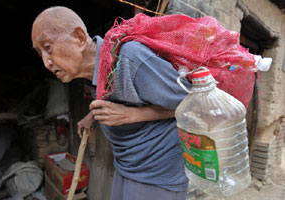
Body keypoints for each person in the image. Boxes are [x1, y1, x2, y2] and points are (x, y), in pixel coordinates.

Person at [32, 6, 190, 200]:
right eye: (41, 54)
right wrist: (92, 116)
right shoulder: (100, 66)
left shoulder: (130, 58)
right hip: (128, 165)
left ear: (80, 38)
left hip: (156, 172)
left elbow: (193, 103)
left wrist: (133, 115)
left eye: (48, 47)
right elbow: (123, 96)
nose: (46, 62)